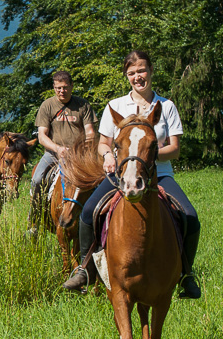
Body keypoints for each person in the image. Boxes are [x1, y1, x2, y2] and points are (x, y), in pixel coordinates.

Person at [62, 51, 202, 299]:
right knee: (88, 211)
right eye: (132, 73)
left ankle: (186, 275)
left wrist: (146, 156)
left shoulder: (166, 107)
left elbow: (175, 149)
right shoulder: (115, 106)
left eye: (142, 71)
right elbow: (104, 143)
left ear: (150, 71)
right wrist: (107, 156)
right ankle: (84, 269)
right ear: (127, 76)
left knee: (190, 216)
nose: (138, 77)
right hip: (121, 175)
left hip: (159, 175)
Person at [29, 70, 97, 231]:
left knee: (98, 181)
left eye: (65, 87)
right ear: (54, 87)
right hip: (53, 153)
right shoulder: (47, 105)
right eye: (58, 88)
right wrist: (58, 149)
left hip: (79, 155)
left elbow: (90, 132)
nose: (62, 91)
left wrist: (83, 150)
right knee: (37, 179)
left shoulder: (83, 105)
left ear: (72, 86)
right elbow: (42, 136)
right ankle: (34, 221)